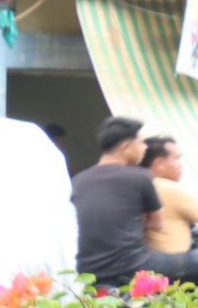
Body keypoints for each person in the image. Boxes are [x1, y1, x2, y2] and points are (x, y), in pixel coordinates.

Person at [71, 116, 198, 285]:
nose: (145, 148)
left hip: (88, 268)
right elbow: (156, 225)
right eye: (141, 143)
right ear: (126, 147)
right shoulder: (140, 177)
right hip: (134, 264)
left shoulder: (79, 180)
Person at [142, 133, 198, 259]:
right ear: (159, 164)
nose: (181, 165)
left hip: (147, 264)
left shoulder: (136, 187)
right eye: (176, 158)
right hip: (178, 263)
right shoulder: (169, 188)